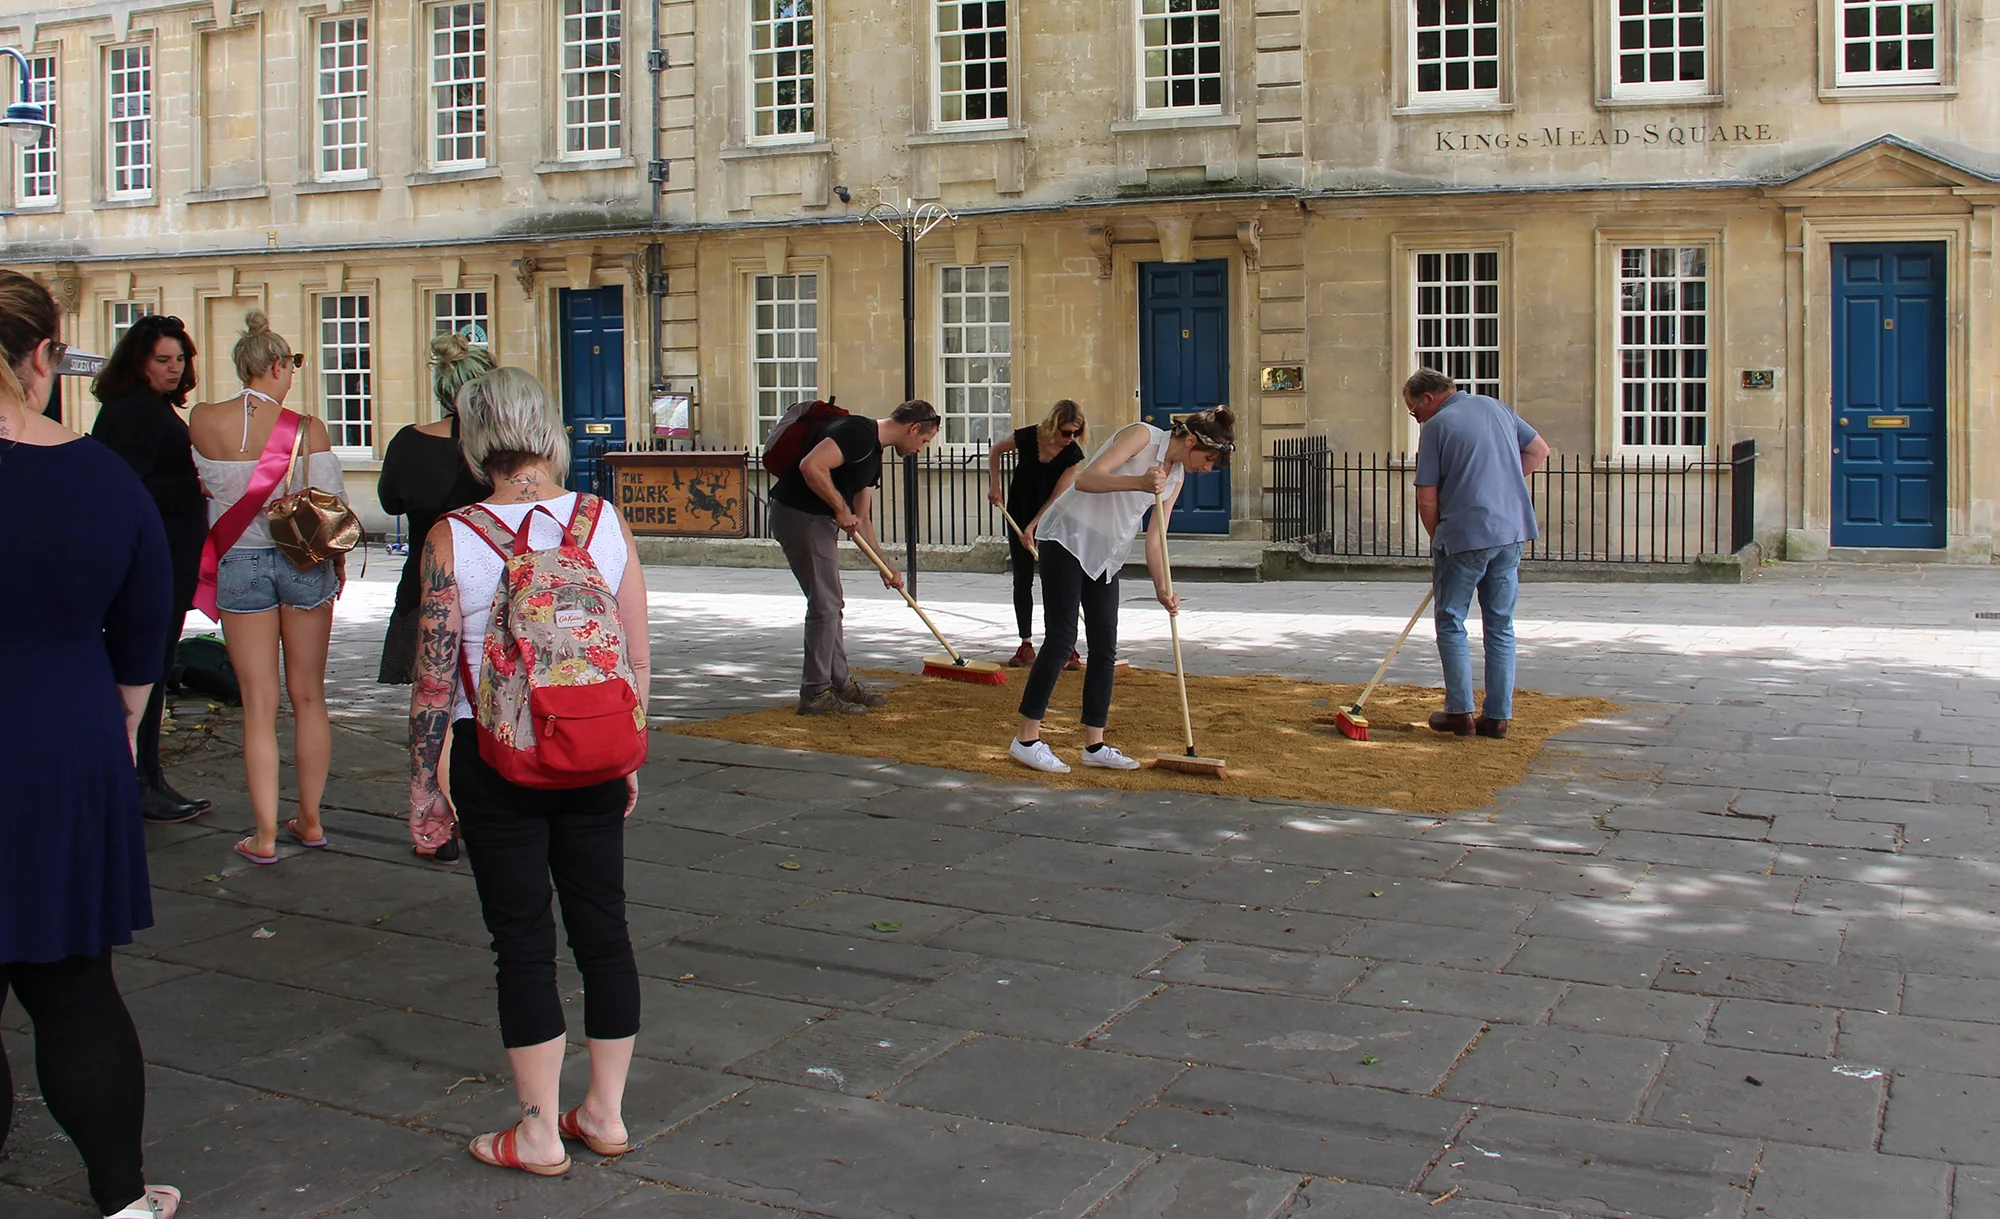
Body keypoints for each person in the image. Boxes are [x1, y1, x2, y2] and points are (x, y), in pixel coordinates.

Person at [407, 367, 649, 1177]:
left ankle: (539, 1129)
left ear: (477, 442)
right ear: (550, 434)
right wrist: (626, 751)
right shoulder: (600, 520)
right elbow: (637, 655)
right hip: (594, 752)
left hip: (497, 757)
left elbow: (434, 679)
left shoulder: (454, 536)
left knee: (522, 941)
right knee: (604, 931)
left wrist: (424, 788)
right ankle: (606, 1114)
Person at [0, 270, 184, 1219]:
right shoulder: (103, 479)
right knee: (74, 990)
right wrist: (116, 719)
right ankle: (120, 1198)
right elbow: (145, 621)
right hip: (60, 740)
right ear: (41, 360)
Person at [187, 311, 346, 866]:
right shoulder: (309, 428)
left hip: (239, 562)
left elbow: (203, 485)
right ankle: (309, 818)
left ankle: (263, 834)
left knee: (258, 703)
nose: (292, 376)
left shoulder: (202, 419)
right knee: (308, 695)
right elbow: (331, 511)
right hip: (302, 564)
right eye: (292, 366)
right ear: (275, 365)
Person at [1009, 407, 1236, 774]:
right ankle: (1026, 739)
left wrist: (1163, 588)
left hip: (1105, 554)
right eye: (1208, 459)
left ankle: (1094, 745)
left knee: (1105, 648)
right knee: (1062, 639)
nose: (1207, 469)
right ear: (1191, 441)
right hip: (1067, 538)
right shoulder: (1142, 436)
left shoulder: (1175, 475)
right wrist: (1140, 483)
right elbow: (1086, 480)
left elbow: (1156, 536)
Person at [90, 313, 212, 824]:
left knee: (153, 672)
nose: (173, 368)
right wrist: (192, 487)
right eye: (162, 359)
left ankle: (147, 777)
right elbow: (122, 490)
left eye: (179, 359)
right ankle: (138, 782)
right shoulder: (136, 414)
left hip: (166, 559)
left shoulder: (148, 408)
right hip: (149, 564)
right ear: (138, 362)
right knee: (145, 673)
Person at [768, 400, 941, 716]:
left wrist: (886, 567)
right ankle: (815, 693)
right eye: (924, 441)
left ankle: (840, 683)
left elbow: (860, 520)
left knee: (831, 604)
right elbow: (811, 466)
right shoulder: (857, 432)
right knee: (825, 604)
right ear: (914, 428)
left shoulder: (873, 453)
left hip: (816, 520)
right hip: (800, 515)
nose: (920, 449)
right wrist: (839, 507)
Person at [1406, 368, 1552, 739]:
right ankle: (1498, 717)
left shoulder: (1437, 426)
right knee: (1500, 624)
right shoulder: (1497, 407)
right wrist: (1504, 485)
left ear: (1428, 398)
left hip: (1464, 535)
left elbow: (1426, 495)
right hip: (1511, 531)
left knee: (1451, 620)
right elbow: (1539, 450)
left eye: (1414, 411)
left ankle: (1460, 712)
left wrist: (1437, 536)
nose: (1416, 418)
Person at [377, 331, 494, 687]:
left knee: (430, 694)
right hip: (490, 587)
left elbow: (390, 502)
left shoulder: (408, 442)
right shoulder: (504, 448)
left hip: (425, 581)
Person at [987, 400, 1087, 669]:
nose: (1071, 438)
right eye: (1066, 432)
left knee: (1056, 582)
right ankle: (1026, 644)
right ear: (1053, 425)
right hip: (1018, 511)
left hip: (1054, 518)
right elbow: (996, 450)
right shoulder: (1028, 437)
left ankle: (1066, 646)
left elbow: (1058, 496)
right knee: (1022, 579)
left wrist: (1035, 526)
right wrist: (995, 486)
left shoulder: (1073, 455)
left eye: (1075, 433)